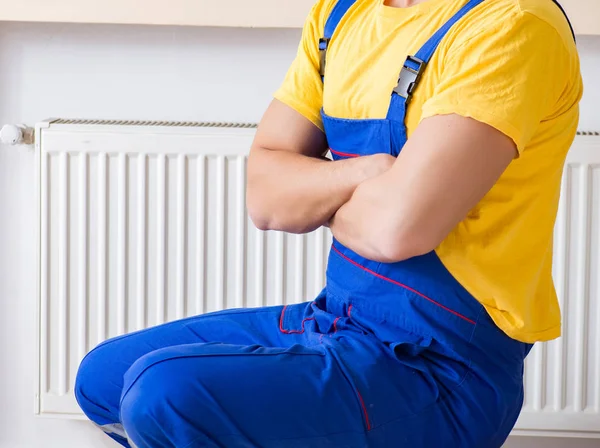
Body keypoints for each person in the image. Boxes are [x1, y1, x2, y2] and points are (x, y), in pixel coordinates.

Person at [74, 0, 583, 446]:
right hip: (339, 319)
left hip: (439, 370)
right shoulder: (340, 14)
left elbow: (397, 230)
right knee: (103, 379)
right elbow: (266, 196)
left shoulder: (511, 23)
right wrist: (373, 173)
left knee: (165, 394)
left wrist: (323, 192)